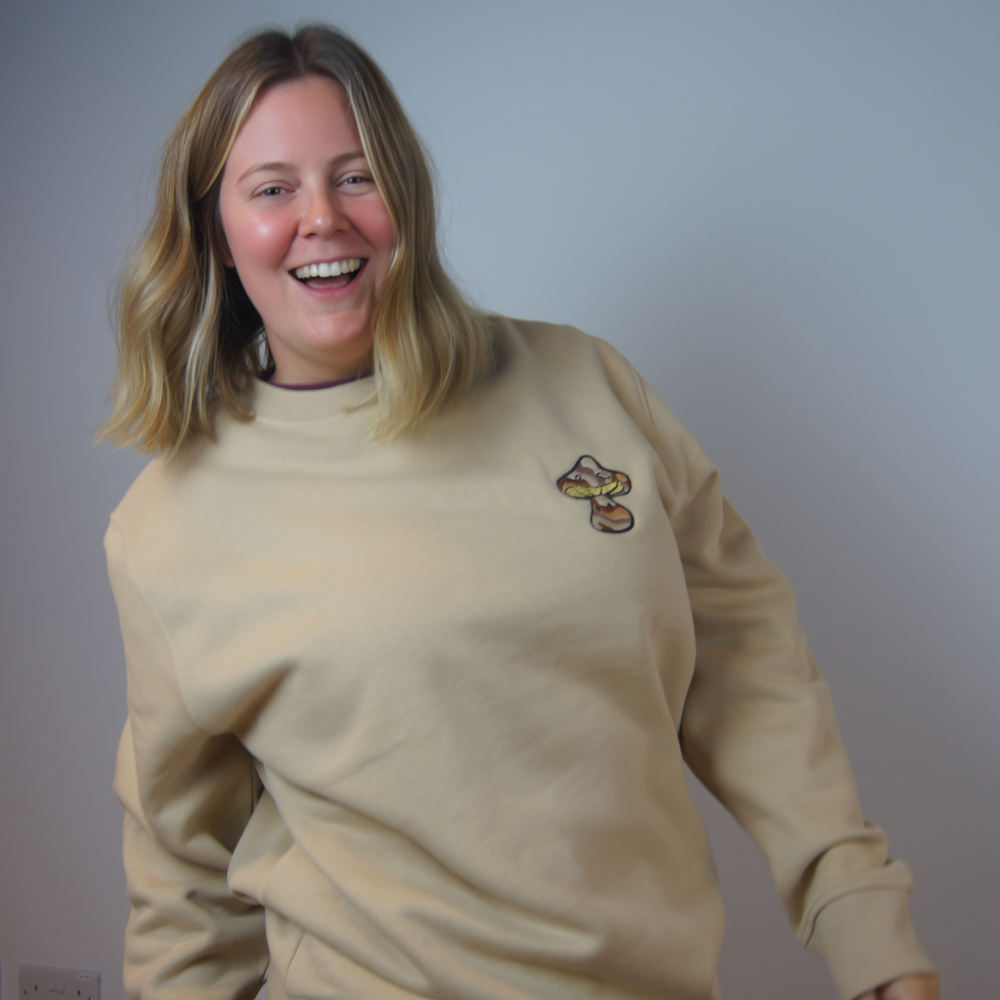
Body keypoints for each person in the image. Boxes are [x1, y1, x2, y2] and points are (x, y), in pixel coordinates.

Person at [101, 24, 939, 1000]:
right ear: (214, 230)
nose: (321, 217)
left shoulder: (582, 384)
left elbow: (744, 655)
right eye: (272, 188)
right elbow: (181, 871)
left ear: (404, 198)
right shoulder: (173, 523)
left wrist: (861, 919)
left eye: (357, 175)